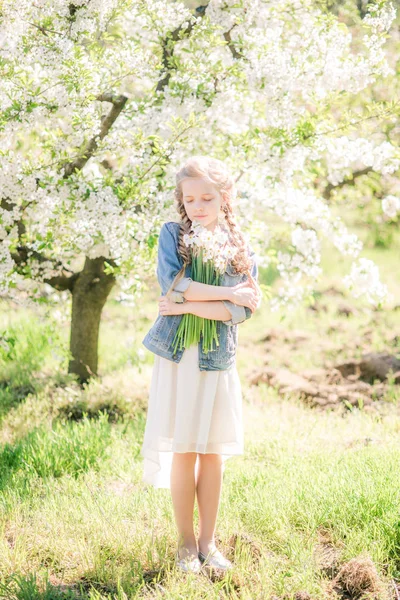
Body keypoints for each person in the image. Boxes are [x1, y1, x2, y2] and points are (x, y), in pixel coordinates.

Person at [141, 155, 262, 574]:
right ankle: (184, 543)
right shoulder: (173, 234)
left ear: (225, 197)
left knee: (211, 453)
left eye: (207, 198)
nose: (198, 206)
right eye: (190, 199)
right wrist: (218, 298)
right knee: (184, 450)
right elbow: (172, 287)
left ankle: (209, 542)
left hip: (216, 361)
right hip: (180, 359)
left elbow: (243, 311)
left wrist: (188, 301)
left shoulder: (239, 244)